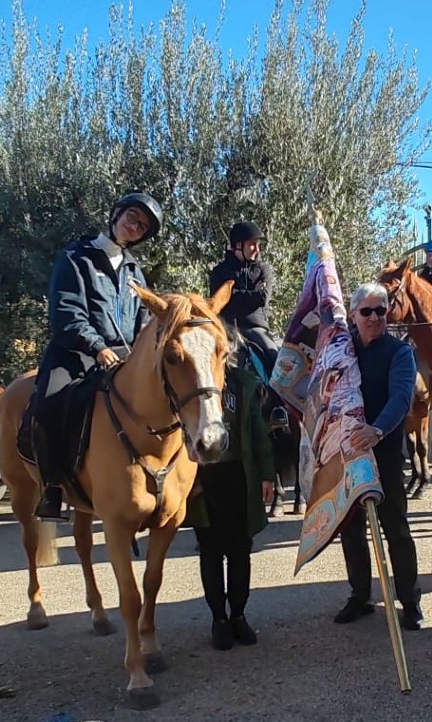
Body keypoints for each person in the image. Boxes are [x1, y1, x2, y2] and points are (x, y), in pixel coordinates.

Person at [31, 191, 164, 521]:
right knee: (47, 404)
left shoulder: (135, 272)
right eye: (133, 218)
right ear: (116, 213)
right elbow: (66, 310)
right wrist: (97, 347)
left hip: (124, 358)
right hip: (76, 354)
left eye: (143, 227)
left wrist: (143, 356)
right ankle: (52, 488)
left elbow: (144, 321)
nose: (135, 227)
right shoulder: (76, 257)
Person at [335, 283, 423, 631]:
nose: (374, 317)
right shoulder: (341, 351)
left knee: (396, 528)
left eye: (380, 311)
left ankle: (410, 601)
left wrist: (377, 430)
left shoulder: (400, 353)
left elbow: (401, 397)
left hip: (383, 452)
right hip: (347, 453)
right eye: (366, 311)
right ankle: (360, 597)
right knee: (351, 529)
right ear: (353, 314)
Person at [185, 344, 275, 650]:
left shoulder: (241, 383)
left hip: (239, 476)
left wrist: (266, 473)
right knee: (210, 551)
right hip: (205, 479)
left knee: (240, 551)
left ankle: (238, 615)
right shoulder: (190, 381)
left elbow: (257, 431)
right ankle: (218, 620)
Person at [208, 221, 289, 431]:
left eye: (258, 245)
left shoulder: (263, 270)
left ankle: (278, 408)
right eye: (252, 245)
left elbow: (263, 297)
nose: (257, 249)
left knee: (274, 355)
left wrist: (236, 296)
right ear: (237, 245)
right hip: (226, 328)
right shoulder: (219, 272)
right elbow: (220, 300)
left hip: (255, 328)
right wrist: (247, 296)